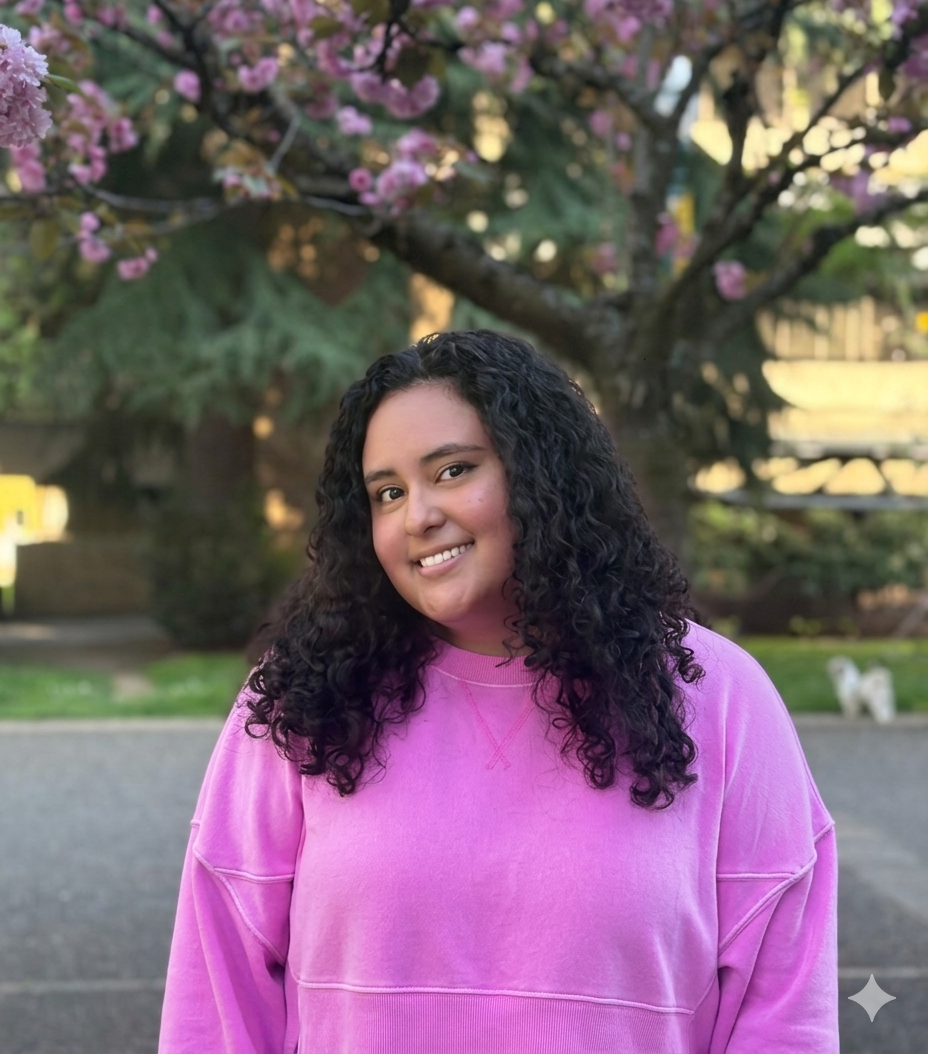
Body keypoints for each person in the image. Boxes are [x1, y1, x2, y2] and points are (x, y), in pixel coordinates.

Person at [158, 330, 838, 1054]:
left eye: (452, 471)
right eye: (387, 493)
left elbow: (781, 1013)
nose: (417, 515)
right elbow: (219, 1000)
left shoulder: (718, 697)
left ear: (541, 473)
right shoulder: (301, 705)